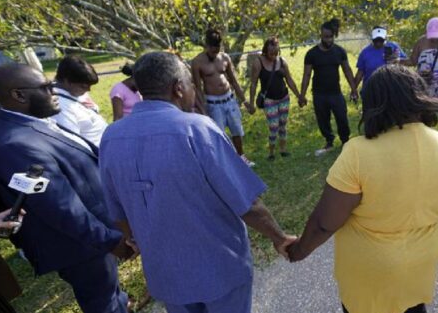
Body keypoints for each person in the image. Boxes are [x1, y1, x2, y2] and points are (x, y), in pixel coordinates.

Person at [99, 51, 296, 313]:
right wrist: (278, 236)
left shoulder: (111, 136)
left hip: (165, 276)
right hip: (220, 271)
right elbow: (246, 202)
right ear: (178, 88)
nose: (194, 89)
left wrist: (133, 237)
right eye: (191, 84)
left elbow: (116, 211)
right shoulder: (197, 129)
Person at [288, 65, 438, 313]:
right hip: (421, 263)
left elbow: (324, 223)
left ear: (373, 104)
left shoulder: (358, 153)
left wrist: (298, 251)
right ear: (419, 97)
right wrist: (428, 213)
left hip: (369, 273)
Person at [0, 63, 134, 313]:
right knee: (103, 304)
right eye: (46, 88)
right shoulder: (13, 144)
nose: (55, 92)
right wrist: (110, 241)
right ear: (19, 95)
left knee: (112, 295)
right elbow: (60, 207)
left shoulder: (31, 122)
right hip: (81, 245)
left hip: (94, 233)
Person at [192, 28, 255, 167]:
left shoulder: (225, 57)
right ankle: (224, 162)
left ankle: (241, 157)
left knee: (237, 130)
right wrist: (203, 110)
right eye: (212, 49)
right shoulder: (197, 62)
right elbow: (197, 88)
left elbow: (233, 80)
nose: (215, 52)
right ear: (207, 46)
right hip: (213, 103)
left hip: (229, 99)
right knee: (218, 134)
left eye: (217, 49)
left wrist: (244, 101)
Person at [300, 18, 358, 156]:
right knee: (323, 120)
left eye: (330, 37)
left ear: (334, 36)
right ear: (321, 36)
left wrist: (354, 89)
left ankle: (345, 141)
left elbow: (347, 70)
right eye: (325, 37)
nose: (328, 40)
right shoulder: (312, 54)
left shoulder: (339, 52)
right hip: (319, 94)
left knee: (342, 118)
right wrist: (302, 95)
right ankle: (329, 141)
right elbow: (306, 75)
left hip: (335, 93)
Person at [248, 37, 306, 160]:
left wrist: (299, 96)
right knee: (273, 126)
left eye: (276, 52)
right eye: (271, 53)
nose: (273, 55)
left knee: (282, 125)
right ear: (265, 50)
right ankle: (271, 152)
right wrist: (251, 103)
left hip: (284, 97)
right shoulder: (258, 63)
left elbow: (289, 80)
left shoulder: (282, 61)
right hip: (269, 99)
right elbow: (253, 83)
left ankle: (283, 150)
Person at [52, 55, 108, 147]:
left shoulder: (76, 91)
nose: (88, 90)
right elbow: (73, 142)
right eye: (84, 86)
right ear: (67, 81)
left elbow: (91, 109)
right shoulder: (59, 106)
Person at [355, 26, 407, 96]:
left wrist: (397, 60)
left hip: (390, 89)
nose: (378, 42)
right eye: (376, 40)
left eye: (381, 40)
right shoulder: (365, 52)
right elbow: (360, 73)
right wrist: (354, 89)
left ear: (385, 39)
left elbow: (406, 64)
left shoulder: (394, 47)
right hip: (370, 90)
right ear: (372, 39)